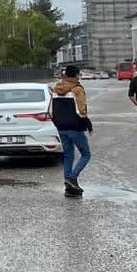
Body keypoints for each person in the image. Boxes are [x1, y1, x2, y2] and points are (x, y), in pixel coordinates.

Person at [49, 64, 92, 197]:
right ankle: (72, 178)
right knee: (86, 154)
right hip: (75, 127)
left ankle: (69, 188)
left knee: (68, 155)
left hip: (61, 127)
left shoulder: (56, 89)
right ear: (76, 75)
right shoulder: (77, 89)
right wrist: (88, 123)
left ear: (65, 74)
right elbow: (81, 110)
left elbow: (51, 110)